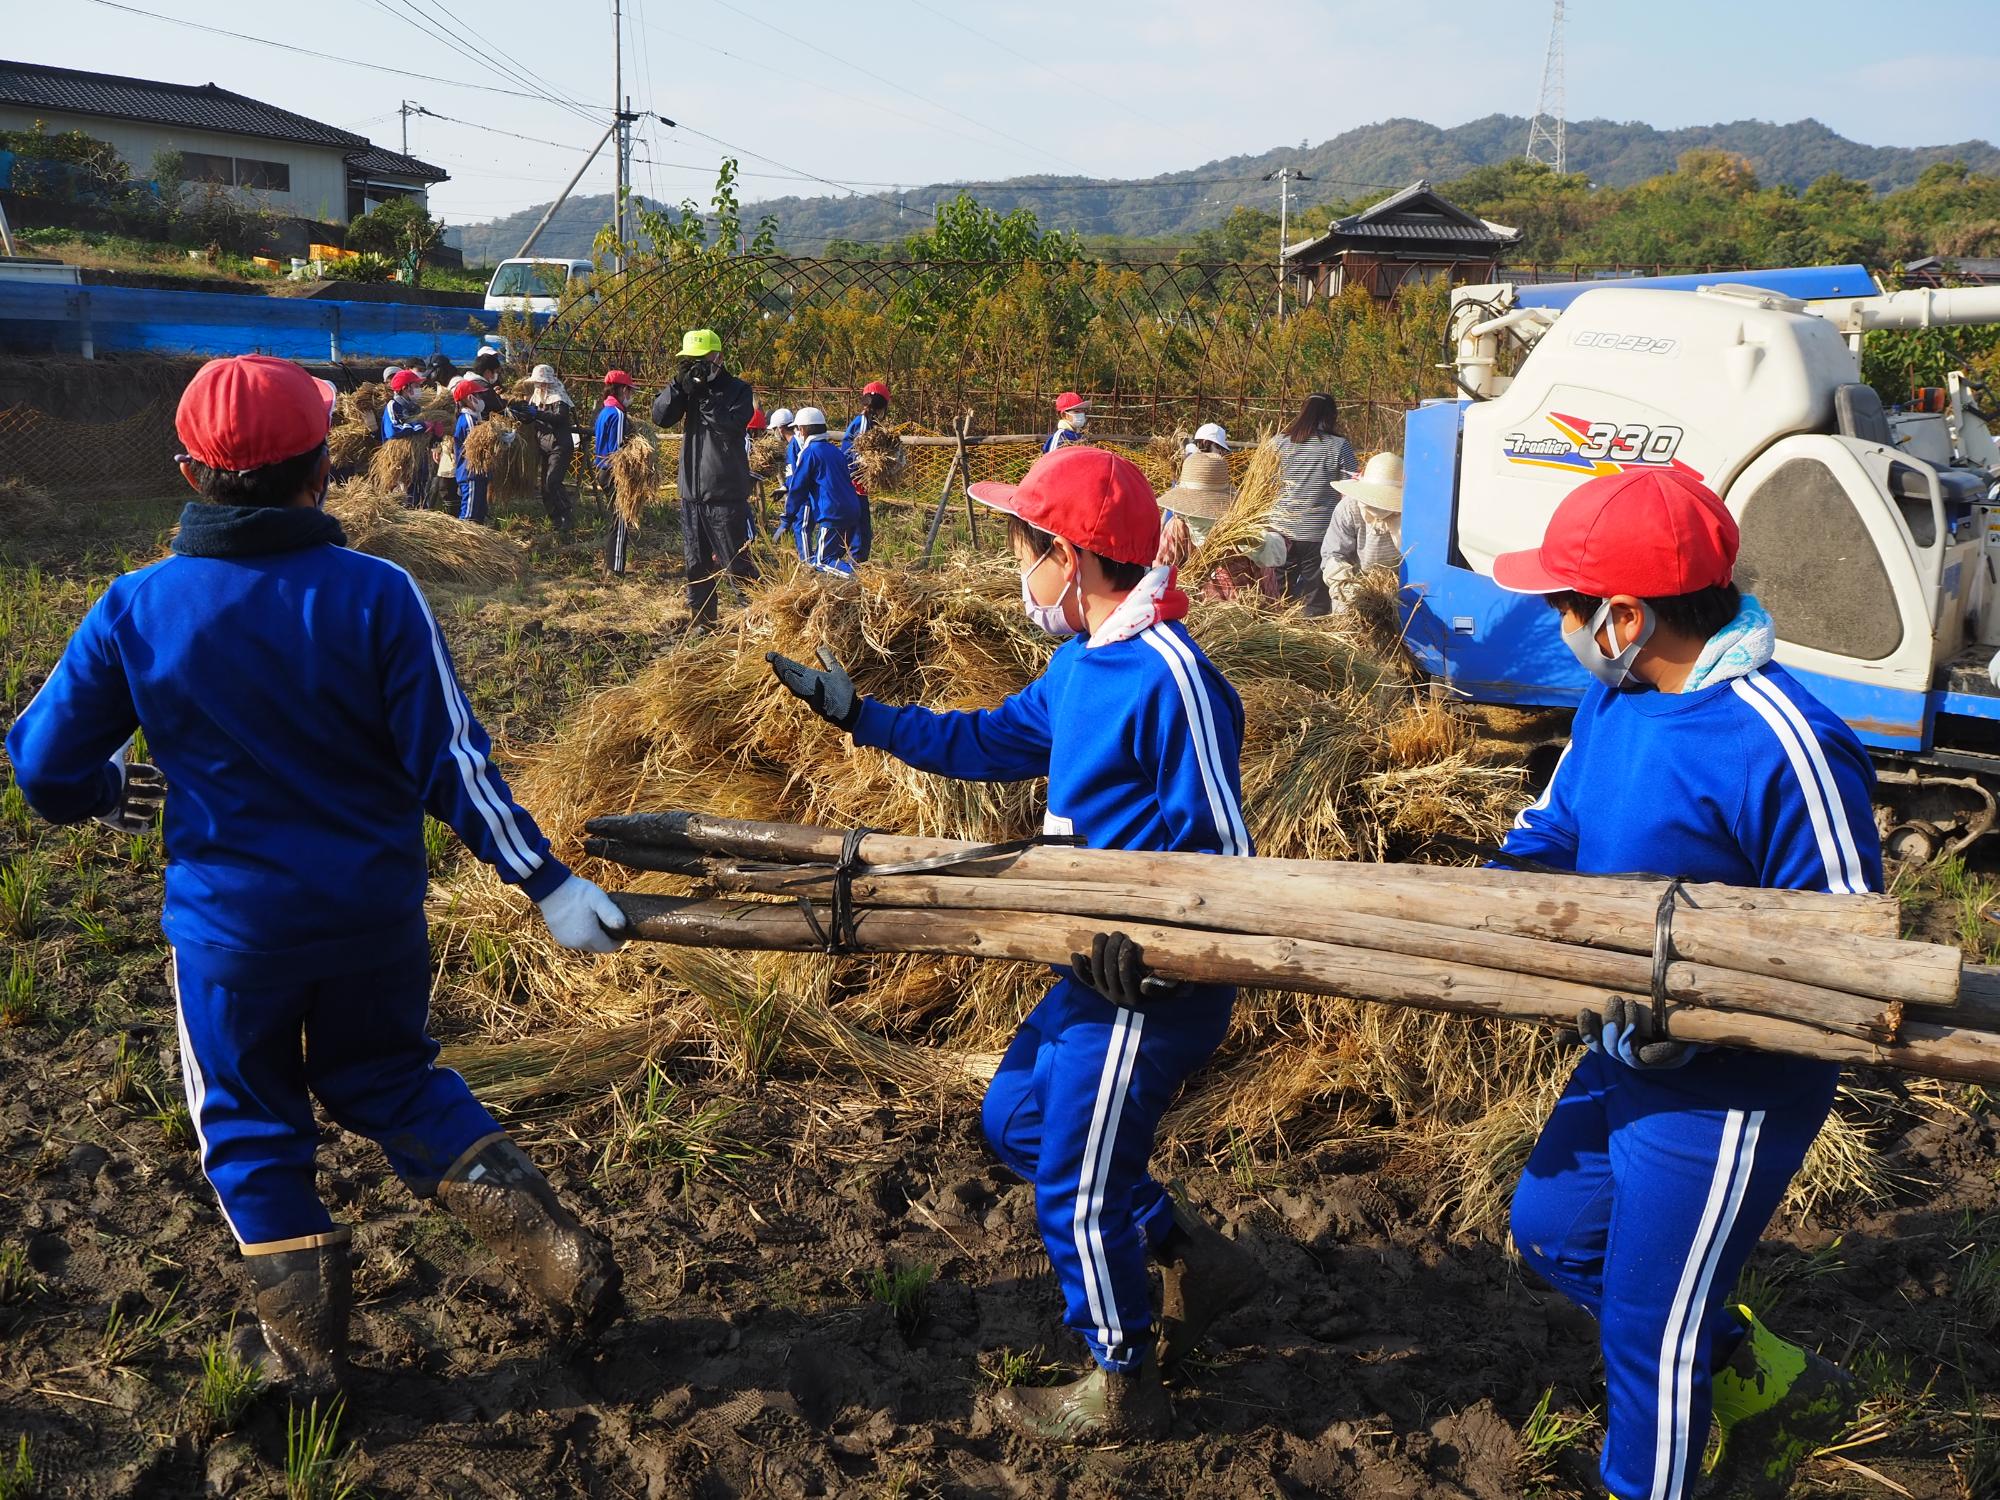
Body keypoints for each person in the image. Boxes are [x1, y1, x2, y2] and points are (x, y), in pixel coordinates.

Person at [6, 355, 628, 1400]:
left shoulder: (137, 607)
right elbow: (453, 763)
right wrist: (550, 885)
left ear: (188, 476)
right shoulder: (379, 594)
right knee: (388, 1078)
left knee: (246, 1118)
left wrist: (107, 792)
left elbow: (44, 768)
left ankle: (302, 1355)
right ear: (319, 471)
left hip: (231, 937)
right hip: (372, 920)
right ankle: (549, 1246)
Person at [767, 445, 1266, 1442]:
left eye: (1020, 545)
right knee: (1015, 1123)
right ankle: (1186, 1254)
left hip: (1145, 986)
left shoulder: (1172, 678)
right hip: (1083, 966)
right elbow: (985, 742)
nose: (1014, 567)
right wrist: (857, 715)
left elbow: (1231, 855)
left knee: (1075, 1187)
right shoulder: (1082, 665)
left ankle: (1122, 1382)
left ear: (1071, 558)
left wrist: (1158, 955)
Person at [1494, 467, 1870, 1500]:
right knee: (1553, 1231)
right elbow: (1553, 830)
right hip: (1617, 1048)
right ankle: (1755, 1374)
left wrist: (1701, 1031)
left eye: (1564, 607)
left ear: (1623, 615)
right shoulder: (1612, 704)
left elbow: (1841, 955)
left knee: (1643, 1333)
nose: (1556, 623)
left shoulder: (1782, 741)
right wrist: (1472, 914)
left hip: (1728, 1090)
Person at [651, 328, 760, 627]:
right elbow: (660, 417)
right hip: (691, 495)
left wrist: (705, 396)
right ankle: (703, 624)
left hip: (724, 496)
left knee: (737, 566)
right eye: (690, 359)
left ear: (718, 358)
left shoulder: (738, 390)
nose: (697, 364)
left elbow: (732, 426)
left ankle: (759, 626)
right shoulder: (687, 389)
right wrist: (678, 386)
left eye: (702, 358)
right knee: (696, 567)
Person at [1267, 393, 1356, 616]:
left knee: (1277, 592)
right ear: (1330, 416)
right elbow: (1351, 489)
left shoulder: (1277, 444)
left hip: (1280, 530)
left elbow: (1264, 484)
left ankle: (1273, 631)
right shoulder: (1338, 446)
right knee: (1315, 596)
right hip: (1319, 531)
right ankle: (1311, 637)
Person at [783, 407, 868, 574]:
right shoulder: (835, 451)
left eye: (798, 429)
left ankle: (862, 580)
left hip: (833, 514)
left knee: (822, 562)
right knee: (833, 560)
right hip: (852, 510)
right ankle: (849, 591)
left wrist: (787, 518)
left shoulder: (810, 453)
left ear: (803, 429)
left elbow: (798, 488)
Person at [1320, 451, 1405, 611]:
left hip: (1400, 594)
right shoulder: (1349, 508)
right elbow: (1333, 555)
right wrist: (1349, 588)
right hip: (1357, 592)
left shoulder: (1411, 515)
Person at [593, 371, 637, 572]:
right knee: (621, 521)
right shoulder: (618, 414)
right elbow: (618, 449)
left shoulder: (604, 411)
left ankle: (611, 565)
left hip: (602, 469)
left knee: (617, 519)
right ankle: (616, 568)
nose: (631, 395)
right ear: (623, 390)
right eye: (630, 391)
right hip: (613, 472)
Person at [380, 368, 434, 509]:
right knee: (404, 501)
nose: (419, 389)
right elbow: (394, 430)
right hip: (400, 463)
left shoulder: (416, 408)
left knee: (420, 500)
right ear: (405, 388)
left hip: (419, 462)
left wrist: (435, 434)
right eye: (416, 386)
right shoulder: (394, 406)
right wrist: (422, 426)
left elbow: (423, 436)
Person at [450, 377, 493, 524]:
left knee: (479, 512)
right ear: (470, 398)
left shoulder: (474, 417)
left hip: (478, 473)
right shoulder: (468, 419)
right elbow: (478, 444)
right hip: (471, 474)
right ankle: (463, 544)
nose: (481, 399)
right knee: (469, 515)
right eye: (478, 395)